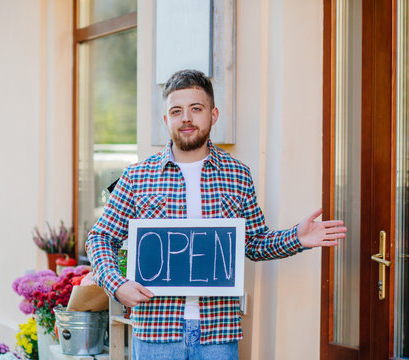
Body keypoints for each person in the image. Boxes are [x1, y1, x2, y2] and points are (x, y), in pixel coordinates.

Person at [86, 69, 346, 360]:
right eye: (176, 111)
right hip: (156, 332)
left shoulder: (237, 174)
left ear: (213, 114)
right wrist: (116, 284)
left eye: (196, 109)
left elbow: (254, 243)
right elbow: (101, 237)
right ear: (165, 120)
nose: (186, 118)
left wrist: (296, 238)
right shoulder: (137, 176)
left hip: (218, 333)